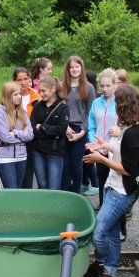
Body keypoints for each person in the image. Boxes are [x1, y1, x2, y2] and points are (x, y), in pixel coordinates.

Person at [82, 85, 139, 277]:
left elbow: (128, 169)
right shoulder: (131, 127)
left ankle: (101, 263)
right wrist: (105, 146)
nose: (114, 107)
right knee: (111, 234)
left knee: (99, 233)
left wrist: (100, 159)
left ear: (124, 105)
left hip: (121, 192)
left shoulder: (134, 133)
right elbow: (123, 152)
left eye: (116, 103)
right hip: (114, 187)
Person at [58, 56, 95, 193]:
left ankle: (76, 193)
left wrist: (83, 132)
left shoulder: (88, 87)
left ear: (81, 68)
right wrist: (65, 127)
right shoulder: (62, 86)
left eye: (77, 67)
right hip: (65, 128)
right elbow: (58, 108)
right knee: (65, 164)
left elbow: (90, 112)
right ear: (68, 69)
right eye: (72, 67)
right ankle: (64, 193)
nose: (74, 69)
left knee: (76, 164)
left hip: (80, 129)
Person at [29, 75, 69, 190]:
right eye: (39, 91)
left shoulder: (63, 107)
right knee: (42, 185)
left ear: (53, 89)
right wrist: (51, 132)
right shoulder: (37, 106)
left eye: (44, 91)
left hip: (54, 152)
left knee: (53, 187)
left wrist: (42, 128)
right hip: (38, 151)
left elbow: (61, 130)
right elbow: (32, 129)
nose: (41, 94)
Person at [87, 68, 119, 209]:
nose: (104, 89)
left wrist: (120, 131)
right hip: (100, 149)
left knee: (115, 181)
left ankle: (116, 210)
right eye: (102, 86)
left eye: (108, 86)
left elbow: (129, 125)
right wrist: (93, 142)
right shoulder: (96, 103)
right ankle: (102, 206)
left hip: (115, 149)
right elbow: (91, 126)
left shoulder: (121, 103)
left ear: (115, 85)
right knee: (102, 179)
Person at [0, 81, 34, 189]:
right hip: (6, 159)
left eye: (20, 94)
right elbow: (6, 138)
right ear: (7, 95)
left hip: (22, 157)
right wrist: (23, 135)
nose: (19, 97)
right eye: (15, 94)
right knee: (11, 191)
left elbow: (30, 135)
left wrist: (16, 132)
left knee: (19, 191)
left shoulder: (22, 112)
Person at [81, 69, 100, 195]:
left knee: (88, 159)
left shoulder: (93, 95)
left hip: (90, 133)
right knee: (84, 159)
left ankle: (96, 184)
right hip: (87, 131)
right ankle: (85, 182)